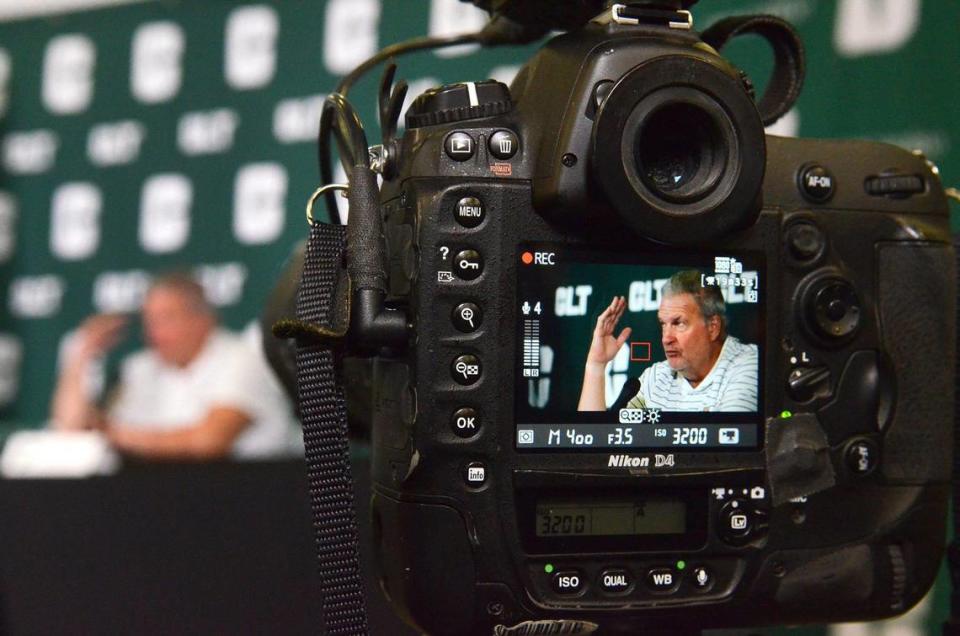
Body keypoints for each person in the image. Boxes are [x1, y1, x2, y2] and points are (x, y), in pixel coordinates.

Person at [50, 272, 299, 460]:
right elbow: (73, 430)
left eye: (167, 319)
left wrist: (112, 436)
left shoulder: (243, 358)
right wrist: (81, 355)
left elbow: (209, 441)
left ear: (203, 318)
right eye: (149, 321)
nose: (154, 333)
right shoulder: (139, 369)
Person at [577, 270, 758, 412]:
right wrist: (596, 365)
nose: (666, 338)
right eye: (663, 324)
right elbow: (599, 441)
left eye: (678, 323)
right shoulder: (656, 377)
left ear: (713, 326)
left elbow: (726, 455)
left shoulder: (748, 364)